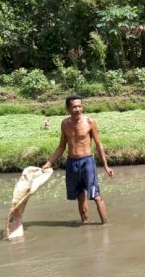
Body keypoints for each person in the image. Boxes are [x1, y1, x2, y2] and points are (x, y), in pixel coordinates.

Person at [42, 95, 114, 224]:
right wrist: (49, 163)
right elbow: (61, 146)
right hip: (72, 163)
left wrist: (106, 165)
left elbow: (99, 144)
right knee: (80, 196)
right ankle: (85, 223)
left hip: (87, 163)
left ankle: (105, 225)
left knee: (96, 196)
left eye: (80, 106)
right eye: (74, 107)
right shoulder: (65, 123)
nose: (78, 109)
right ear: (68, 109)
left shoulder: (90, 122)